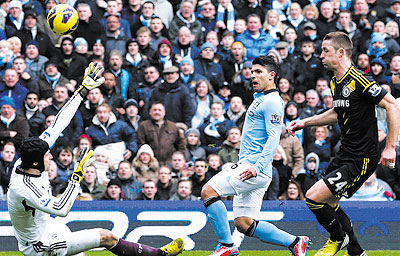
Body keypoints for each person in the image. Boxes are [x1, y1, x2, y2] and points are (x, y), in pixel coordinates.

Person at [7, 62, 184, 255]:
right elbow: (60, 207)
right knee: (105, 236)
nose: (50, 155)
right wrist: (77, 174)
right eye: (46, 155)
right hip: (39, 246)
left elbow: (59, 122)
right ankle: (160, 254)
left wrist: (82, 91)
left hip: (50, 228)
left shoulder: (29, 157)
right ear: (35, 162)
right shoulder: (23, 187)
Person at [288, 31, 400, 256]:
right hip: (345, 153)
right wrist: (305, 122)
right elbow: (338, 111)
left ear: (340, 53)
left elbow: (391, 105)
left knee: (313, 197)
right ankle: (357, 252)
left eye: (325, 51)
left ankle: (337, 239)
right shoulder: (335, 81)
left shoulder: (360, 80)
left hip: (361, 158)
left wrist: (390, 147)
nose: (320, 55)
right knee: (329, 204)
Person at [201, 55, 309, 256]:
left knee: (208, 191)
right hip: (255, 168)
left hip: (253, 168)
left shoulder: (273, 101)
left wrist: (256, 167)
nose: (253, 76)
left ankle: (226, 245)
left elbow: (273, 137)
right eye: (252, 72)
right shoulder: (261, 99)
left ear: (272, 75)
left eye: (259, 72)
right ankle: (295, 242)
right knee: (243, 223)